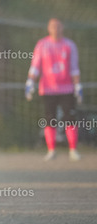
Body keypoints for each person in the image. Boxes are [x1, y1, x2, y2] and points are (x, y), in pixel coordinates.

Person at [26, 18, 83, 161]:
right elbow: (35, 66)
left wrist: (78, 86)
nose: (55, 29)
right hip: (48, 89)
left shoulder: (69, 45)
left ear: (62, 27)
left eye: (58, 26)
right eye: (52, 26)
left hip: (67, 89)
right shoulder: (42, 45)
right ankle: (51, 150)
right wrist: (30, 82)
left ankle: (73, 150)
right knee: (49, 118)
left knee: (70, 118)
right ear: (48, 28)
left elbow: (74, 68)